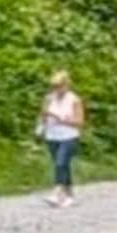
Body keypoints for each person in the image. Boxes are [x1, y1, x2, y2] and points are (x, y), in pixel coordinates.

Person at [39, 70, 86, 208]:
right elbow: (42, 115)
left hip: (69, 136)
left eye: (60, 86)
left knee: (60, 163)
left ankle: (56, 193)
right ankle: (70, 195)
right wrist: (44, 121)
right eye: (54, 86)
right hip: (52, 136)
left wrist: (63, 120)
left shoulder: (74, 100)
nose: (57, 89)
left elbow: (80, 122)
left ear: (67, 85)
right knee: (62, 165)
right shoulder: (49, 98)